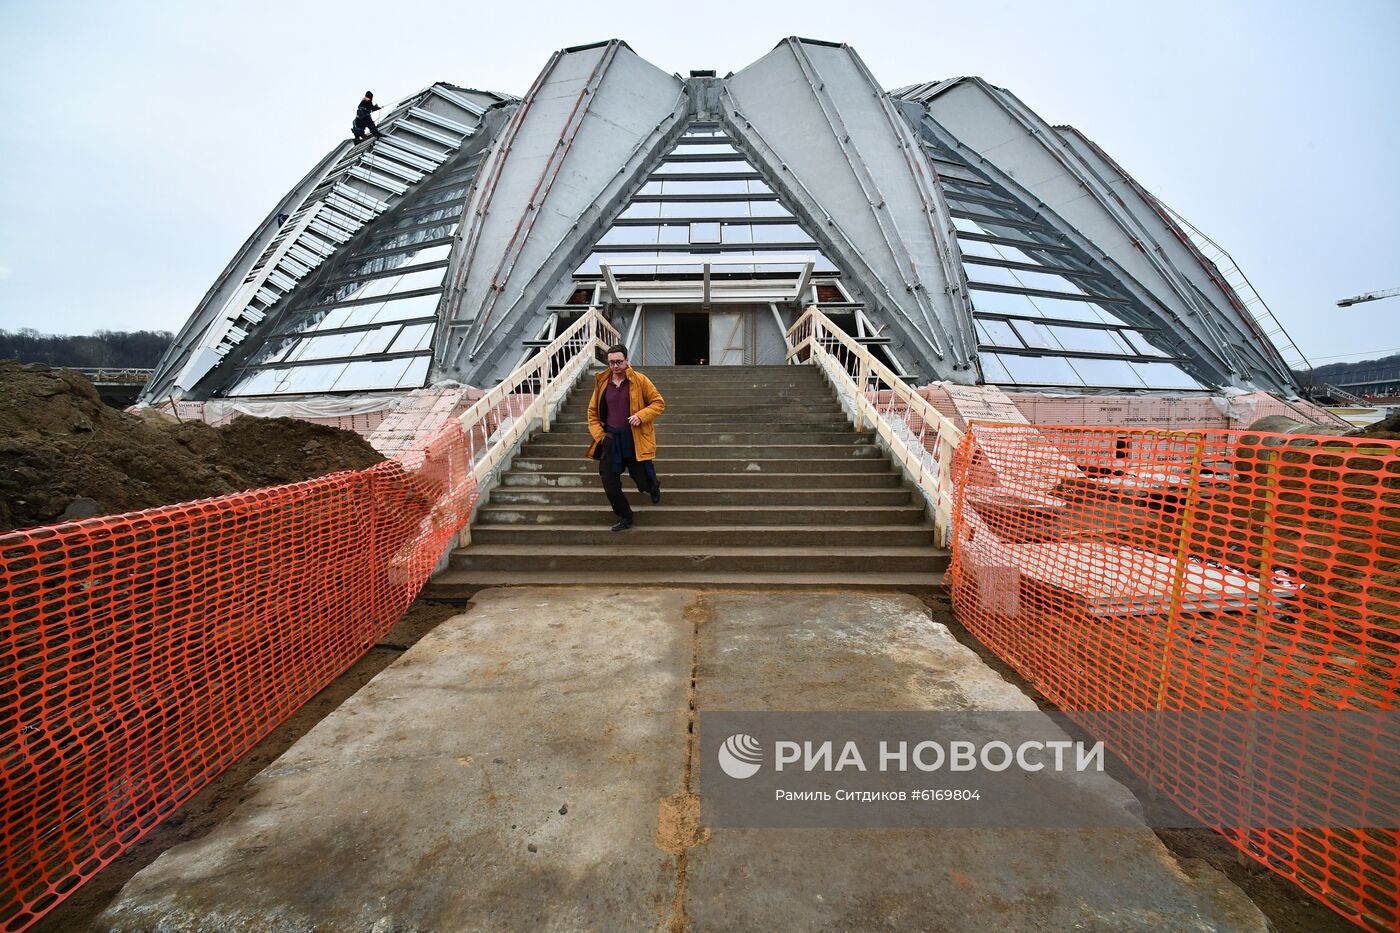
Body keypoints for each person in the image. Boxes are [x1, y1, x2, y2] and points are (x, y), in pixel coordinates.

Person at [586, 344, 664, 531]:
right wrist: (601, 437)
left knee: (642, 481)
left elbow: (658, 403)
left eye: (619, 362)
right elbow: (592, 414)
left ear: (627, 360)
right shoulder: (603, 383)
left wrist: (641, 416)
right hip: (611, 441)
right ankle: (625, 516)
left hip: (634, 438)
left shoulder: (640, 380)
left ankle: (652, 487)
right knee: (609, 482)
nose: (615, 366)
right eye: (611, 362)